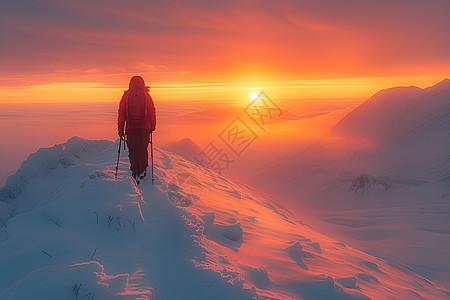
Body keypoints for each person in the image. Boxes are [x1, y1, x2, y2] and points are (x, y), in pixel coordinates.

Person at [118, 76, 156, 180]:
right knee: (143, 148)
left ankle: (135, 169)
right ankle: (143, 169)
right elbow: (152, 110)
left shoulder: (126, 96)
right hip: (145, 127)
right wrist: (152, 125)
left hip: (131, 128)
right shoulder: (146, 95)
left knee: (133, 149)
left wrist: (120, 129)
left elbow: (121, 113)